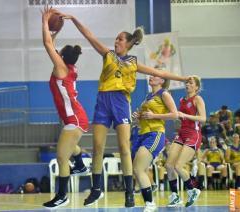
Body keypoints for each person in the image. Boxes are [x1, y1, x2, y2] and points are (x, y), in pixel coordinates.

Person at [57, 12, 189, 207]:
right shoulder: (108, 55)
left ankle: (129, 192)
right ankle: (96, 189)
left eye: (119, 38)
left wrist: (183, 79)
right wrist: (75, 20)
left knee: (124, 148)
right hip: (103, 101)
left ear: (128, 43)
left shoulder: (134, 63)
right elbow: (89, 36)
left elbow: (159, 72)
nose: (116, 41)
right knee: (97, 148)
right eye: (116, 38)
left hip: (120, 102)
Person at [41, 6, 89, 209]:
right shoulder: (70, 66)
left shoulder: (61, 67)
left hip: (74, 119)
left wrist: (45, 21)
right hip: (76, 117)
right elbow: (51, 43)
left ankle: (62, 196)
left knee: (61, 157)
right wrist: (55, 30)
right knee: (67, 150)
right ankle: (79, 163)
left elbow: (46, 43)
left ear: (61, 56)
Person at [131, 74, 178, 211]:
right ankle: (150, 200)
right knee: (139, 170)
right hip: (142, 133)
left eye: (155, 76)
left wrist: (154, 116)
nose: (151, 77)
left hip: (155, 134)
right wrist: (138, 117)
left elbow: (175, 114)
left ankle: (150, 203)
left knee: (138, 169)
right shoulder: (148, 96)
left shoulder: (164, 94)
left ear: (162, 81)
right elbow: (145, 117)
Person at [165, 76, 206, 207]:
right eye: (186, 82)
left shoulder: (198, 99)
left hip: (193, 134)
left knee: (178, 166)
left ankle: (193, 189)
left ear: (196, 87)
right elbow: (180, 117)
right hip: (182, 133)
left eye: (190, 83)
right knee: (169, 165)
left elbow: (203, 118)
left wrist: (185, 115)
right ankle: (175, 196)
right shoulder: (182, 100)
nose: (187, 84)